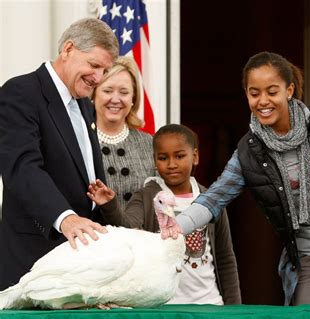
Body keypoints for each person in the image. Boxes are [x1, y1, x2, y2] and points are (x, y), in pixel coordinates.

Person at [160, 52, 310, 318]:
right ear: (246, 94)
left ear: (289, 90)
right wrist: (176, 226)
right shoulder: (249, 151)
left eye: (272, 91)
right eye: (254, 93)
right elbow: (214, 198)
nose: (263, 101)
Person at [0, 18, 119, 290]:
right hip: (34, 259)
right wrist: (65, 218)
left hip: (82, 263)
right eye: (94, 65)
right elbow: (22, 166)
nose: (98, 78)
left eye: (104, 70)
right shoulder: (21, 92)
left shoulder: (86, 106)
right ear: (68, 49)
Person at [87, 124, 241, 305]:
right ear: (154, 160)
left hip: (211, 303)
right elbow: (129, 228)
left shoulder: (211, 199)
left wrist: (233, 307)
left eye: (179, 156)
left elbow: (225, 258)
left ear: (195, 156)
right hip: (165, 306)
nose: (172, 164)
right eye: (163, 158)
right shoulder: (146, 196)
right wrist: (110, 206)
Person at [91, 56, 155, 210]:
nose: (115, 99)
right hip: (94, 233)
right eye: (107, 90)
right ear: (93, 95)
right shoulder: (79, 141)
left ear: (133, 98)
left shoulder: (150, 143)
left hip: (140, 233)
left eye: (124, 92)